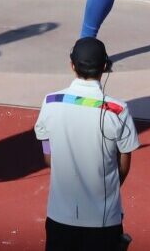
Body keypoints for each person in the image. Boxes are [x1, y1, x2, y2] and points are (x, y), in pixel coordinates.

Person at [34, 37, 140, 250]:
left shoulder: (50, 101)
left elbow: (47, 152)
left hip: (58, 219)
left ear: (72, 65)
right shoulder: (118, 110)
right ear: (104, 67)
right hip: (103, 222)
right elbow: (124, 165)